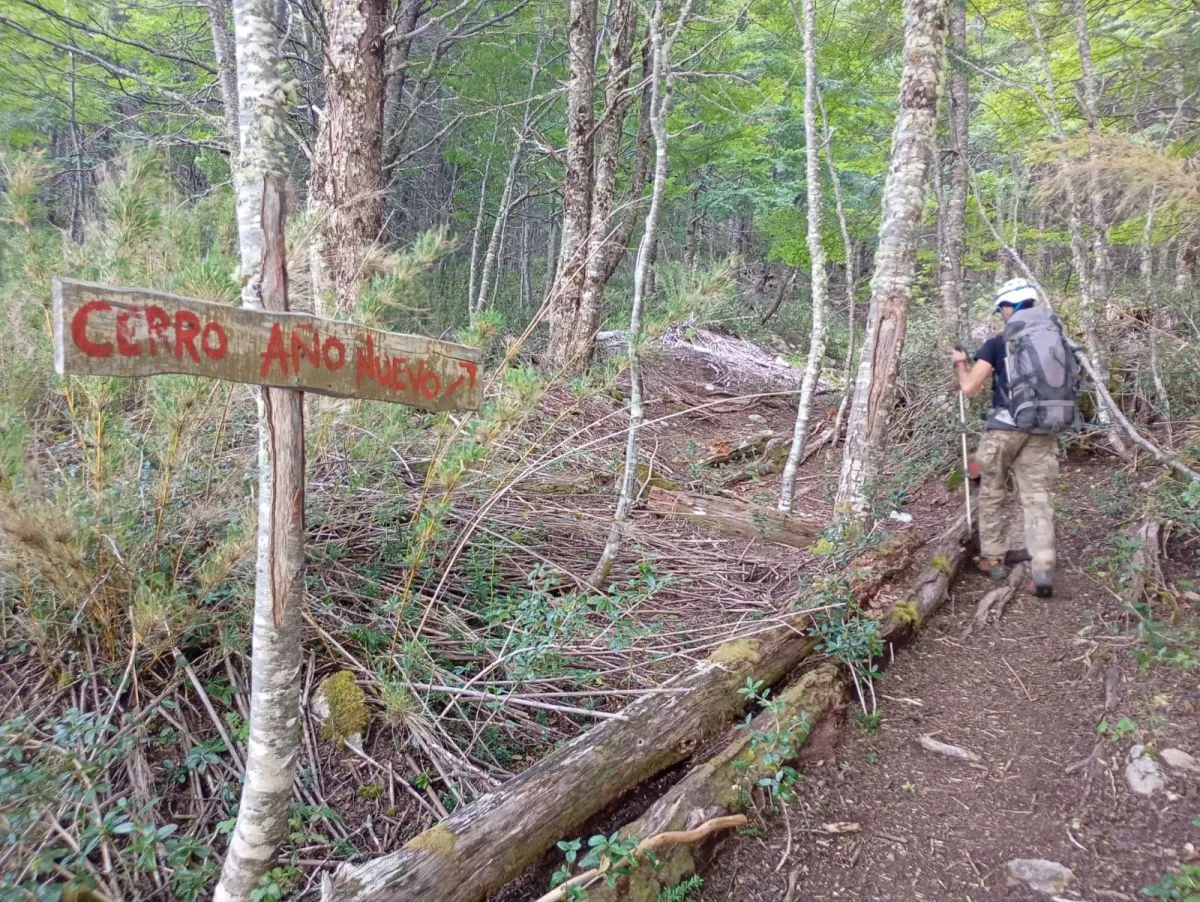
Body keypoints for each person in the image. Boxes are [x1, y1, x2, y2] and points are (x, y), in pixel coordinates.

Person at [951, 278, 1058, 598]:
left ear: (1011, 307)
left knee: (993, 493)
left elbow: (969, 388)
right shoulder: (1054, 340)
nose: (1002, 314)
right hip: (1042, 430)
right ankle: (1042, 569)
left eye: (1003, 309)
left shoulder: (998, 343)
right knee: (1038, 499)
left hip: (1003, 430)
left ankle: (993, 560)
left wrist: (960, 364)